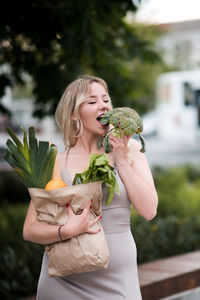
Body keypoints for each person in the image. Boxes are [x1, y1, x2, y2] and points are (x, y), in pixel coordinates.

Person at [23, 74, 158, 300]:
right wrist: (65, 230)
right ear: (74, 114)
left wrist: (121, 159)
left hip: (118, 284)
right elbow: (30, 229)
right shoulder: (55, 162)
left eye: (106, 99)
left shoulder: (130, 149)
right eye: (92, 101)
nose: (103, 105)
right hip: (63, 284)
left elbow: (149, 210)